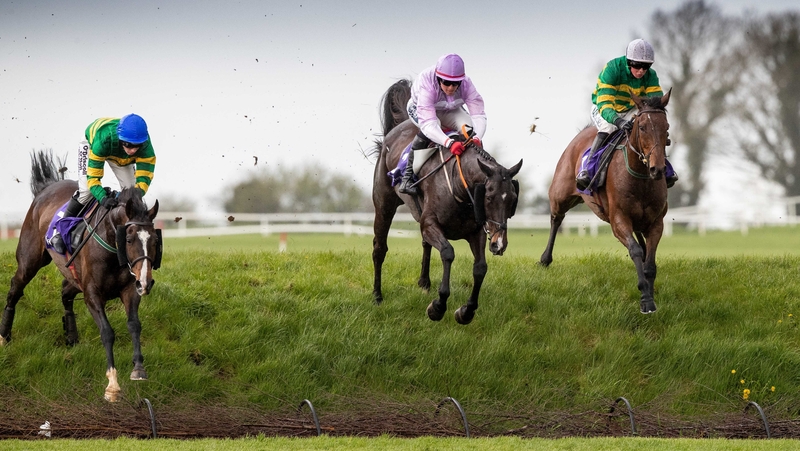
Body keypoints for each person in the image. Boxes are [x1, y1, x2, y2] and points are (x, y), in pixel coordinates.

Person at [575, 39, 678, 191]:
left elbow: (655, 105)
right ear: (629, 62)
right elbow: (605, 103)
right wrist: (618, 121)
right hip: (605, 108)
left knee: (650, 125)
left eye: (646, 66)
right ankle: (587, 170)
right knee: (608, 128)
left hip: (631, 109)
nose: (641, 70)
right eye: (637, 65)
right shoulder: (612, 69)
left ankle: (664, 166)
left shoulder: (651, 76)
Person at [398, 53, 487, 195]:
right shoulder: (427, 83)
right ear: (438, 78)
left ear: (461, 81)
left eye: (455, 83)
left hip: (449, 109)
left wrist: (477, 138)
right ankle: (407, 177)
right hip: (421, 109)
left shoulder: (467, 84)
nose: (451, 88)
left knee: (469, 130)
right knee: (435, 127)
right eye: (446, 82)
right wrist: (449, 143)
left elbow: (479, 115)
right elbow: (429, 125)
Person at [62, 114, 156, 218]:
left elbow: (143, 180)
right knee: (86, 191)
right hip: (93, 143)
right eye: (129, 145)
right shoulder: (102, 141)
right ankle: (62, 225)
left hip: (118, 153)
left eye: (137, 145)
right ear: (121, 139)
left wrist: (128, 195)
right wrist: (103, 198)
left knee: (132, 195)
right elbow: (93, 178)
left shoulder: (146, 149)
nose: (133, 150)